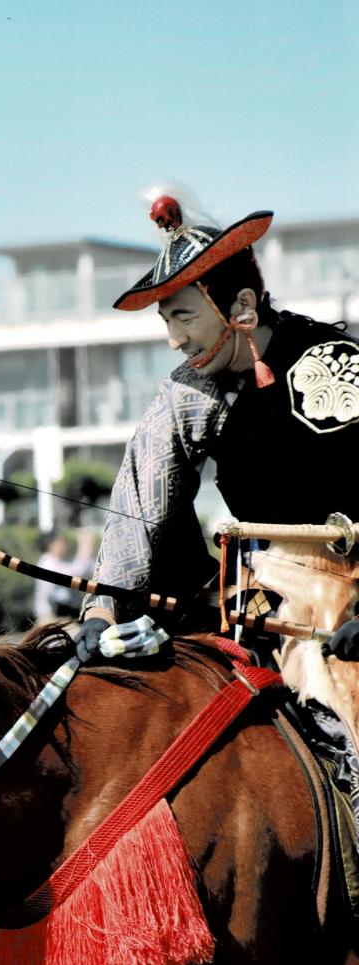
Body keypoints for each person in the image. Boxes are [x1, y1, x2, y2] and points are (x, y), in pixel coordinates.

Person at [75, 194, 359, 661]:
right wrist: (102, 612)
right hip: (264, 609)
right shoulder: (187, 392)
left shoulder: (338, 365)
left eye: (184, 316)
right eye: (166, 321)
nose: (174, 340)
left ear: (242, 305)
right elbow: (141, 501)